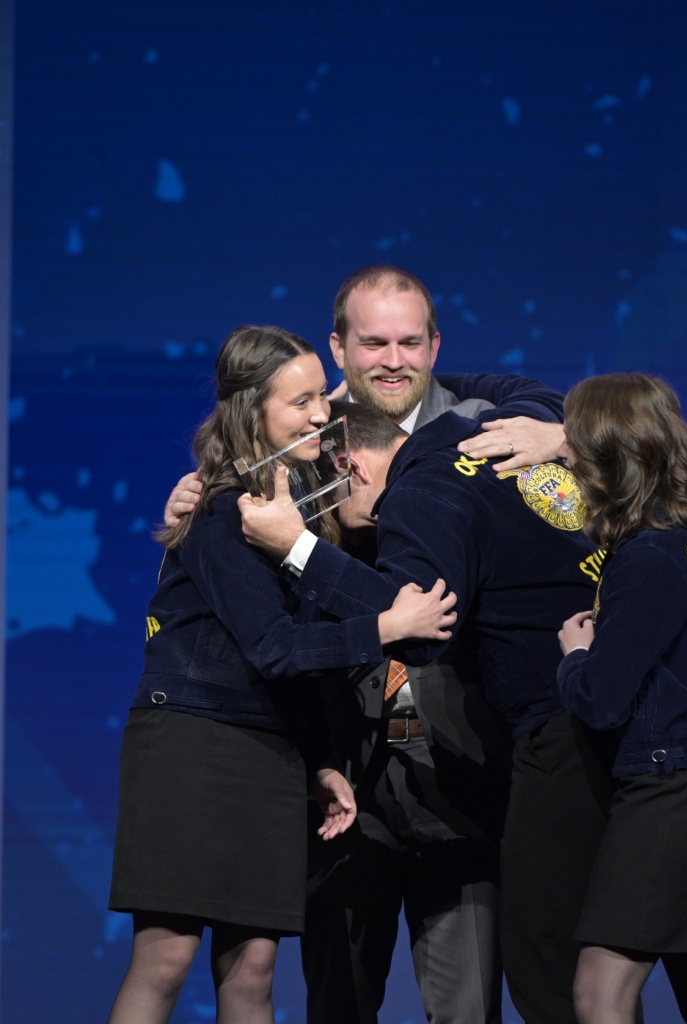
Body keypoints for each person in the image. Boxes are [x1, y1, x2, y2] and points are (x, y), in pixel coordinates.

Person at [164, 265, 567, 1024]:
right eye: (372, 342)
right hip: (345, 779)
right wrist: (198, 492)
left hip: (464, 780)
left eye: (409, 342)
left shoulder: (476, 421)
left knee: (467, 1005)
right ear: (337, 349)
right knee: (336, 1002)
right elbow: (233, 489)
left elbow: (577, 412)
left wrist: (565, 432)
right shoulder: (310, 430)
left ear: (434, 346)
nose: (392, 359)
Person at [108, 325, 456, 1024]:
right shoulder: (221, 512)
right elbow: (273, 647)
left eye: (318, 402)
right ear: (253, 412)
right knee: (167, 956)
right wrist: (386, 627)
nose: (319, 417)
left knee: (254, 970)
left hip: (268, 755)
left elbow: (288, 670)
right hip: (190, 744)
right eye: (299, 404)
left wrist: (320, 762)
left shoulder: (285, 516)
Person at [238, 399, 623, 1024]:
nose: (334, 519)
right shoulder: (502, 449)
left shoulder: (423, 490)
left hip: (523, 758)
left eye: (324, 494)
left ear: (349, 466)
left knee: (548, 976)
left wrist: (297, 547)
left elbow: (418, 621)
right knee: (602, 979)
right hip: (596, 730)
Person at [555, 373, 687, 1024]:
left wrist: (575, 656)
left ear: (610, 456)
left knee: (598, 992)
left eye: (577, 446)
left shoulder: (647, 557)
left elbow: (599, 701)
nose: (569, 458)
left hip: (667, 796)